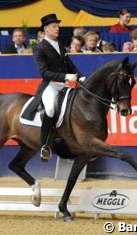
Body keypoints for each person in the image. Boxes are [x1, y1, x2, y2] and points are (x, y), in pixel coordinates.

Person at [21, 14, 84, 161]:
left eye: (57, 26)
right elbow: (44, 72)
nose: (57, 29)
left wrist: (81, 77)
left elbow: (70, 65)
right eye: (54, 26)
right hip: (50, 86)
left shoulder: (60, 45)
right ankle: (45, 146)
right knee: (49, 109)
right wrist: (65, 77)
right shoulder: (39, 48)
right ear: (46, 29)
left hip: (64, 85)